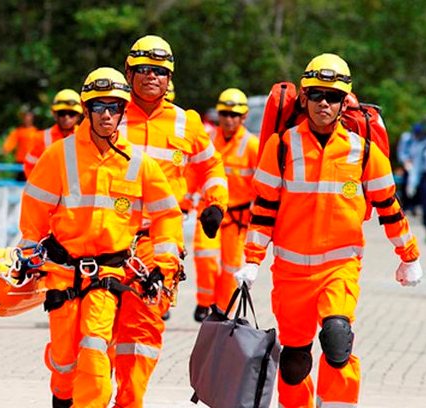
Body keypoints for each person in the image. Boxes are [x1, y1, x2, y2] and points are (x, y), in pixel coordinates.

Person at [235, 53, 423, 407]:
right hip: (290, 274)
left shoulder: (364, 153)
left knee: (338, 340)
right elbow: (263, 210)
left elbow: (389, 208)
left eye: (333, 96)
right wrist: (251, 260)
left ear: (344, 102)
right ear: (303, 98)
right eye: (317, 94)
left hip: (339, 269)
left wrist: (408, 256)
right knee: (294, 362)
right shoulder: (282, 147)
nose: (324, 102)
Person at [15, 67, 182, 408]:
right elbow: (33, 212)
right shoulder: (59, 155)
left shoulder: (139, 163)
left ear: (123, 111)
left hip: (108, 275)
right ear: (87, 109)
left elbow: (167, 214)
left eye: (115, 107)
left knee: (94, 348)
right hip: (62, 273)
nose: (107, 115)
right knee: (63, 365)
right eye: (99, 107)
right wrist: (28, 256)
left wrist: (164, 266)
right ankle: (63, 398)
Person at [109, 34, 227, 407]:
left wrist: (216, 203)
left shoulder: (186, 123)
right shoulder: (107, 114)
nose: (151, 77)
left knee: (141, 327)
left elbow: (211, 166)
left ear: (170, 77)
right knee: (99, 330)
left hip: (158, 241)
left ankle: (129, 401)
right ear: (128, 72)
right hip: (104, 237)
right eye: (143, 69)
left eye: (159, 71)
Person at [192, 88, 258, 322]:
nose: (229, 119)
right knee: (205, 258)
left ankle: (221, 312)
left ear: (243, 117)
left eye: (234, 115)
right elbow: (193, 173)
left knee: (231, 268)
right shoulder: (208, 140)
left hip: (238, 218)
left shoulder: (252, 146)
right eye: (225, 114)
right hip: (208, 212)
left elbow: (262, 185)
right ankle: (204, 302)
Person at [23, 89, 82, 177]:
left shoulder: (86, 137)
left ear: (79, 116)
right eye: (62, 113)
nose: (66, 117)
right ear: (54, 114)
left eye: (72, 113)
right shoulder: (41, 137)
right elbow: (29, 166)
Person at [3, 108, 38, 181]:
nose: (27, 119)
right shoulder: (18, 131)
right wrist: (7, 149)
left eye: (29, 117)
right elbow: (10, 141)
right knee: (19, 183)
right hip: (20, 162)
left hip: (32, 163)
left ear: (32, 119)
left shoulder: (36, 132)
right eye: (25, 117)